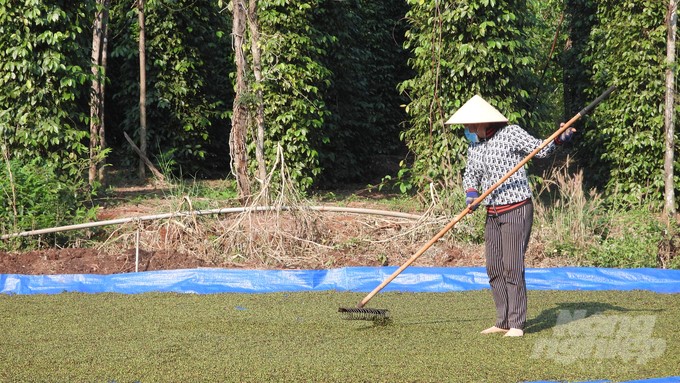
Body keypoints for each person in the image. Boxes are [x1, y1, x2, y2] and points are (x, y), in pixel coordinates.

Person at [445, 95, 574, 337]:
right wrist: (471, 195)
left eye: (472, 126)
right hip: (492, 212)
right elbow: (471, 175)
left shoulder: (511, 133)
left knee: (512, 266)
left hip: (516, 209)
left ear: (485, 122)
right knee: (494, 266)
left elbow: (541, 149)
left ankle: (516, 324)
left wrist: (559, 138)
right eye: (467, 127)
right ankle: (502, 320)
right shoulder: (475, 146)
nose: (469, 130)